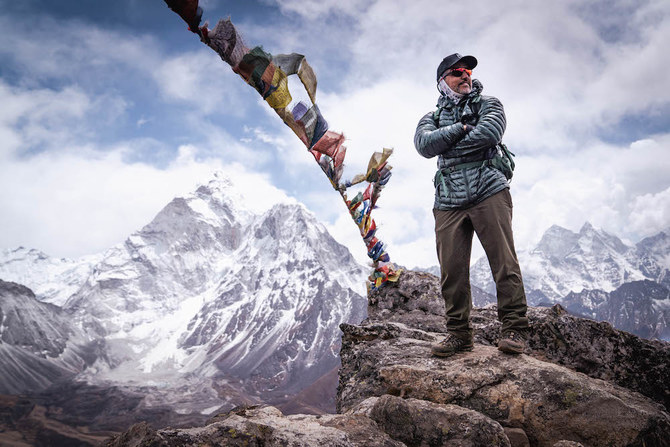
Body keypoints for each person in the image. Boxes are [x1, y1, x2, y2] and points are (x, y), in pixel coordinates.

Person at [414, 53, 529, 356]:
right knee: (452, 271)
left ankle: (514, 329)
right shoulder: (431, 117)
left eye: (467, 71)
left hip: (489, 190)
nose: (465, 76)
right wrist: (461, 130)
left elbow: (490, 133)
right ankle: (459, 335)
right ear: (442, 82)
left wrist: (448, 148)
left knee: (503, 262)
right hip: (448, 201)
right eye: (457, 72)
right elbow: (424, 146)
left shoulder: (489, 104)